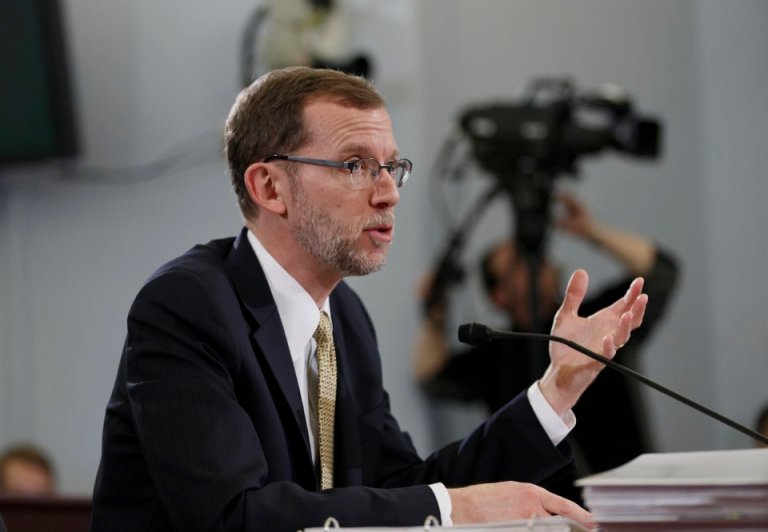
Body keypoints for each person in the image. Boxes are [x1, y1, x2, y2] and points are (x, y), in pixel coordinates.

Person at [90, 66, 648, 531]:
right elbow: (232, 518)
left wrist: (557, 391)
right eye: (355, 165)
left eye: (391, 167)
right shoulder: (186, 306)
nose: (386, 193)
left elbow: (397, 486)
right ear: (269, 188)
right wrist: (457, 509)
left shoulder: (346, 318)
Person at [413, 192, 678, 494]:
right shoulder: (496, 352)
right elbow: (431, 374)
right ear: (498, 296)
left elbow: (661, 271)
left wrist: (592, 231)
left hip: (630, 493)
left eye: (535, 257)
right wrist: (434, 315)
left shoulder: (593, 322)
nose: (533, 264)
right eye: (518, 263)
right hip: (544, 510)